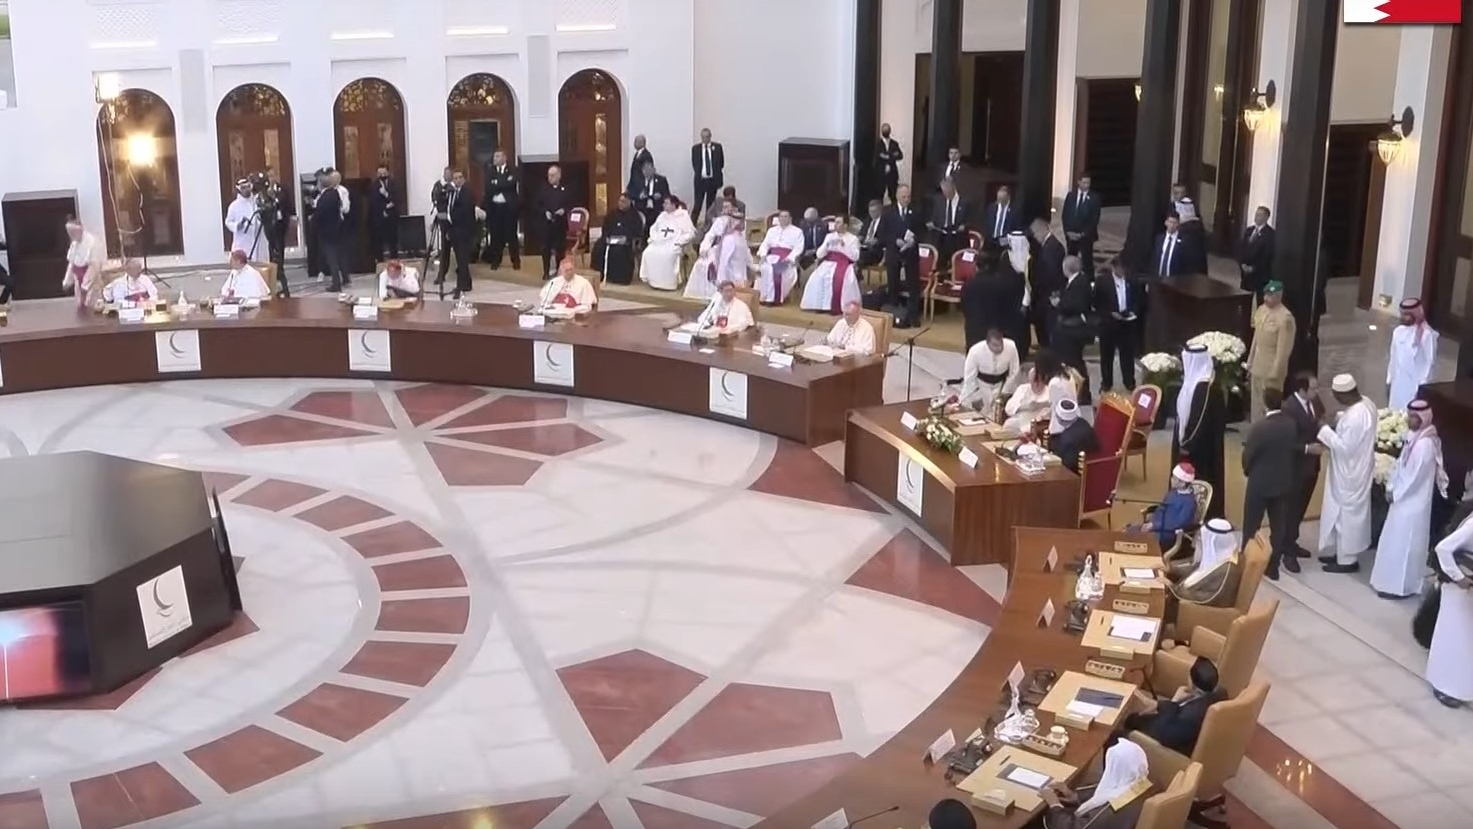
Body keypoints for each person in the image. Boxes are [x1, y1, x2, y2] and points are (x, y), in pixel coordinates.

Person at [1371, 399, 1447, 598]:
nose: (1412, 419)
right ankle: (1388, 583)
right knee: (1394, 542)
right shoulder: (1414, 437)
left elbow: (1415, 477)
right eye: (1410, 415)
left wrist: (1395, 492)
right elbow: (1400, 465)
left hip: (1413, 503)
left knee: (1406, 544)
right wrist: (1390, 486)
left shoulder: (1425, 444)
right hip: (1401, 499)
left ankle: (1401, 588)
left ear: (1425, 417)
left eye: (1416, 416)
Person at [1242, 388, 1306, 580]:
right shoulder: (1290, 425)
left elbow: (1248, 455)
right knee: (1279, 527)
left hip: (1259, 483)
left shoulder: (1260, 427)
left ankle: (1247, 562)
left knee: (1251, 525)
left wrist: (1248, 471)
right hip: (1283, 482)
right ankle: (1273, 566)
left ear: (1265, 404)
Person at [1316, 374, 1378, 573]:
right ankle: (1342, 553)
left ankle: (1347, 561)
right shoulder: (1366, 403)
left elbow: (1345, 447)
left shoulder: (1355, 417)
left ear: (1344, 396)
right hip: (1357, 467)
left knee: (1345, 516)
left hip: (1350, 472)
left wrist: (1324, 430)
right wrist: (1339, 419)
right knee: (1343, 514)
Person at [1039, 739, 1153, 829]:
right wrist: (1075, 797)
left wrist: (1054, 804)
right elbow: (1105, 791)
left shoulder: (1112, 808)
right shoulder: (1144, 783)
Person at [1127, 656, 1226, 755]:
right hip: (1179, 728)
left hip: (1170, 744)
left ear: (1192, 683)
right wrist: (1160, 705)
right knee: (1135, 717)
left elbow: (1163, 734)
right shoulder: (1220, 693)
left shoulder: (1189, 716)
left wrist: (1173, 701)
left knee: (1130, 722)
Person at [1173, 343, 1226, 520]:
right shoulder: (1194, 382)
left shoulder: (1205, 388)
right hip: (1194, 444)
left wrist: (1185, 446)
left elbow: (1198, 424)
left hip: (1200, 451)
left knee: (1200, 481)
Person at [1428, 511, 1473, 708]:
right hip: (1457, 589)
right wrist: (1459, 577)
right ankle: (1444, 684)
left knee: (1465, 640)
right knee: (1452, 635)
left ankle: (1461, 685)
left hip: (1467, 591)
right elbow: (1443, 548)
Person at [1283, 372, 1325, 557]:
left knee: (1301, 507)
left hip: (1312, 467)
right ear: (1302, 389)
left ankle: (1292, 540)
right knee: (1291, 508)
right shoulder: (1289, 408)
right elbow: (1286, 442)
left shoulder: (1315, 402)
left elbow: (1319, 422)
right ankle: (1285, 547)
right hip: (1295, 468)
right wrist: (1307, 448)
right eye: (1313, 388)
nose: (1316, 392)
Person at [1166, 518, 1243, 612]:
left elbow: (1207, 599)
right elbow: (1197, 569)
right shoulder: (1217, 556)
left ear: (1213, 541)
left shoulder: (1228, 570)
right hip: (1180, 600)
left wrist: (1172, 587)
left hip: (1193, 612)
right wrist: (1170, 568)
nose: (1201, 541)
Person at [1247, 281, 1296, 422]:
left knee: (1268, 405)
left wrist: (1276, 371)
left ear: (1279, 296)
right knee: (1256, 403)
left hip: (1272, 369)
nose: (1266, 299)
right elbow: (1256, 337)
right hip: (1258, 365)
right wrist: (1250, 360)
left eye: (1271, 296)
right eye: (1266, 295)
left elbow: (1284, 349)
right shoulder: (1261, 310)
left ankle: (1267, 431)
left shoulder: (1285, 318)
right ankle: (1255, 430)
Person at [685, 204, 751, 301]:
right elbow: (710, 236)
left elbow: (742, 244)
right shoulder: (719, 221)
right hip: (717, 249)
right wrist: (704, 248)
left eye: (728, 207)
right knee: (702, 264)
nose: (725, 209)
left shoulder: (739, 225)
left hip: (734, 254)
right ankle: (706, 293)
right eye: (724, 207)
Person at [1052, 255, 1095, 404]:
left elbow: (1077, 305)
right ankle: (1075, 390)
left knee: (1075, 362)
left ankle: (1083, 393)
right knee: (1071, 362)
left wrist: (1059, 304)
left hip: (1073, 332)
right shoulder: (1075, 281)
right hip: (1068, 331)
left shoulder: (1080, 283)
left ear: (1067, 268)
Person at [882, 185, 926, 328]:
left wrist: (914, 240)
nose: (906, 199)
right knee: (893, 283)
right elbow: (883, 233)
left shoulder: (917, 211)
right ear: (897, 197)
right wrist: (895, 240)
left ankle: (913, 316)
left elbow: (922, 230)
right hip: (894, 253)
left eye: (908, 197)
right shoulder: (888, 212)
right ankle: (894, 315)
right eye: (903, 197)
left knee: (913, 285)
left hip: (911, 253)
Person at [1094, 263, 1142, 392]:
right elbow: (1096, 303)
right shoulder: (1103, 281)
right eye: (1120, 268)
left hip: (1127, 323)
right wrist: (1109, 313)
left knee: (1127, 355)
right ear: (1114, 268)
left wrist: (1133, 311)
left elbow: (1139, 298)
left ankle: (1129, 382)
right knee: (1106, 355)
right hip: (1108, 323)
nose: (1123, 271)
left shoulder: (1132, 280)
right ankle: (1106, 383)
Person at [1132, 463, 1200, 553]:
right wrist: (1151, 523)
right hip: (1156, 526)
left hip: (1169, 533)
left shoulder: (1189, 502)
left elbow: (1179, 523)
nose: (1171, 480)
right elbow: (1161, 509)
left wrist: (1154, 526)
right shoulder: (1172, 492)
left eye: (1174, 479)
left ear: (1183, 483)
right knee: (1130, 531)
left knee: (1140, 540)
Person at [801, 214, 862, 314]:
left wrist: (843, 246)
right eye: (835, 222)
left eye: (838, 222)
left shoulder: (853, 239)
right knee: (818, 277)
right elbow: (819, 254)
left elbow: (855, 257)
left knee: (839, 280)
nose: (835, 225)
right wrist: (827, 245)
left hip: (844, 264)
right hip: (828, 263)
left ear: (845, 225)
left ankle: (836, 306)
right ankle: (820, 305)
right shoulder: (829, 236)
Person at [1003, 349, 1074, 433]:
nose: (1036, 383)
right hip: (1023, 418)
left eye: (1038, 379)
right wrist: (1026, 405)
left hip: (1053, 422)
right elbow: (1009, 409)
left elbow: (1055, 410)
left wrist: (1041, 409)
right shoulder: (1024, 389)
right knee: (1009, 424)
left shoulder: (1054, 384)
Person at [1388, 298, 1438, 410]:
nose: (1403, 317)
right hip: (1398, 381)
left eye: (1406, 315)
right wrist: (1390, 378)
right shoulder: (1398, 331)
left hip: (1415, 383)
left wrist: (1423, 385)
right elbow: (1393, 355)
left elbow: (1429, 362)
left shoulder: (1427, 335)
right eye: (1402, 314)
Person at [640, 196, 696, 291]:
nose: (663, 205)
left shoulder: (683, 216)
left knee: (669, 255)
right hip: (660, 242)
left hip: (674, 243)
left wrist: (679, 242)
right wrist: (654, 238)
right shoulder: (662, 215)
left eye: (666, 203)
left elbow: (690, 233)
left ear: (673, 205)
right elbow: (654, 228)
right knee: (648, 253)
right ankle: (654, 281)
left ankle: (670, 283)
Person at [959, 329, 1021, 414]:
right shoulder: (975, 351)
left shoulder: (1011, 346)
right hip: (981, 385)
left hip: (1001, 385)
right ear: (987, 343)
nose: (999, 348)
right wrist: (976, 397)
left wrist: (1004, 392)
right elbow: (970, 378)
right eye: (995, 345)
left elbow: (1014, 371)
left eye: (1000, 344)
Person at [437, 170, 476, 299]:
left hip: (464, 231)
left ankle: (460, 286)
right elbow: (447, 206)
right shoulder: (453, 192)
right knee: (460, 259)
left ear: (464, 179)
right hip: (455, 230)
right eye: (455, 178)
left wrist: (448, 216)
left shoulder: (466, 192)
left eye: (460, 177)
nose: (458, 180)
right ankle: (467, 284)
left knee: (463, 260)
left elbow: (464, 211)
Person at [1029, 219, 1066, 350]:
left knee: (1048, 325)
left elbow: (1051, 273)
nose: (1034, 236)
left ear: (1042, 230)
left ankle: (1048, 349)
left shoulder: (1052, 247)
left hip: (1048, 294)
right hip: (1045, 293)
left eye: (1035, 233)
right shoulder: (1048, 245)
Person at [482, 150, 521, 271]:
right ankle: (495, 260)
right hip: (495, 208)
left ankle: (515, 260)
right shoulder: (490, 171)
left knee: (511, 235)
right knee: (495, 235)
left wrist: (498, 183)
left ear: (504, 157)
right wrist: (502, 183)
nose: (495, 159)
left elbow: (511, 184)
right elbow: (488, 186)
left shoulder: (513, 170)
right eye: (494, 156)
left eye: (498, 156)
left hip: (509, 208)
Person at [754, 211, 804, 305]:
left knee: (777, 271)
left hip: (786, 258)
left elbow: (798, 248)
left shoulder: (797, 231)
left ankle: (774, 299)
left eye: (785, 216)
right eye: (781, 217)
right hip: (771, 256)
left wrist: (789, 258)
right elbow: (765, 244)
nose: (783, 219)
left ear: (790, 219)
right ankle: (763, 297)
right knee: (763, 269)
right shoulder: (772, 230)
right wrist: (763, 255)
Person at [312, 169, 350, 291]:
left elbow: (319, 215)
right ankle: (343, 278)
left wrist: (313, 222)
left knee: (331, 258)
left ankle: (336, 283)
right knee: (339, 256)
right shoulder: (334, 194)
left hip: (327, 233)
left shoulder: (324, 198)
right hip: (336, 229)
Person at [593, 194, 641, 285]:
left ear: (629, 203)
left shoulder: (634, 216)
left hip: (625, 240)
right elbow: (605, 227)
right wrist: (606, 237)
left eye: (623, 202)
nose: (621, 204)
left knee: (618, 251)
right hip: (610, 238)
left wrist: (626, 238)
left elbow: (637, 231)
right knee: (599, 247)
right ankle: (601, 275)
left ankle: (619, 278)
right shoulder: (612, 213)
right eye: (620, 201)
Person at [1060, 173, 1101, 277]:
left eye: (1088, 183)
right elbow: (1065, 215)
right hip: (1071, 236)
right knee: (1071, 258)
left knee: (1087, 261)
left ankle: (1090, 282)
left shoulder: (1094, 198)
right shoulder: (1071, 196)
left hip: (1086, 237)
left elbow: (1094, 219)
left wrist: (1083, 234)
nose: (1087, 185)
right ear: (1079, 182)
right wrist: (1068, 232)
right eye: (1084, 182)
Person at [537, 165, 572, 279]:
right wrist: (545, 211)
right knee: (545, 248)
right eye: (549, 175)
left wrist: (563, 210)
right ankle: (546, 272)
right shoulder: (543, 189)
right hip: (546, 224)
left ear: (559, 176)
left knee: (559, 249)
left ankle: (559, 270)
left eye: (552, 175)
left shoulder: (565, 189)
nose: (550, 178)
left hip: (560, 224)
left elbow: (570, 204)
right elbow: (538, 204)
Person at [62, 219, 105, 308]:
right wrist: (67, 281)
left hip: (91, 283)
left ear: (80, 230)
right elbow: (71, 264)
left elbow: (95, 267)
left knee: (93, 309)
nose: (71, 235)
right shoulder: (74, 244)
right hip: (78, 281)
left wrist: (85, 286)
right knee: (80, 308)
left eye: (73, 232)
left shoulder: (92, 242)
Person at [1236, 206, 1275, 298]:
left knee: (1259, 300)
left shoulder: (1270, 234)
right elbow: (1241, 248)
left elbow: (1268, 255)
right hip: (1245, 274)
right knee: (1244, 298)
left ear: (1266, 217)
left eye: (1260, 215)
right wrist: (1242, 264)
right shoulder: (1249, 230)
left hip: (1260, 274)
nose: (1256, 217)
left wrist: (1253, 268)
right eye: (1256, 214)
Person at [928, 177, 969, 265]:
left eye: (948, 192)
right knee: (940, 262)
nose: (946, 194)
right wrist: (932, 223)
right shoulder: (939, 201)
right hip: (941, 236)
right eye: (944, 192)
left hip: (957, 236)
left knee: (956, 263)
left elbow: (971, 221)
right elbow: (935, 217)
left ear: (953, 187)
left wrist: (964, 225)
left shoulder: (965, 202)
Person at [1049, 399, 1096, 473]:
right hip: (1092, 467)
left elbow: (1065, 464)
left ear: (1060, 419)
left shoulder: (1067, 438)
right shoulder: (1083, 422)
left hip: (1074, 473)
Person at [224, 177, 266, 260]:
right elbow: (228, 222)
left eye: (248, 187)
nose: (246, 190)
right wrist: (237, 225)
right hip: (242, 242)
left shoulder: (257, 202)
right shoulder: (234, 206)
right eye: (243, 188)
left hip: (258, 240)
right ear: (239, 190)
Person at [690, 128, 725, 223]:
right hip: (700, 181)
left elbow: (721, 163)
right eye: (703, 137)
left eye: (707, 137)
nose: (705, 139)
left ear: (710, 137)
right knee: (697, 204)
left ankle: (708, 225)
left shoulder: (717, 148)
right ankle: (692, 225)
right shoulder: (695, 149)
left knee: (710, 205)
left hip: (712, 181)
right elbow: (695, 164)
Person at [629, 158, 671, 231]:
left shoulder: (661, 180)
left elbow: (667, 195)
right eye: (645, 170)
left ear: (654, 170)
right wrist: (639, 196)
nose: (647, 172)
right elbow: (630, 195)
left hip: (657, 209)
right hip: (642, 209)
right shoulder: (637, 181)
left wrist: (660, 196)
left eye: (649, 170)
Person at [368, 163, 399, 261]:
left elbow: (398, 198)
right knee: (379, 241)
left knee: (393, 240)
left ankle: (394, 261)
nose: (382, 175)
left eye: (384, 173)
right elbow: (372, 201)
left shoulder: (394, 183)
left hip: (392, 216)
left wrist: (386, 194)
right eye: (380, 173)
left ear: (388, 172)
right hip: (379, 217)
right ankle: (380, 262)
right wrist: (384, 208)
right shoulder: (373, 185)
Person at [1150, 213, 1194, 278]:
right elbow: (1154, 260)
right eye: (1170, 222)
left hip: (1174, 280)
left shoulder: (1184, 242)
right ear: (1166, 222)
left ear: (1178, 224)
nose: (1172, 225)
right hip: (1158, 279)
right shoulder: (1159, 239)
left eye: (1174, 223)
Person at [981, 185, 1019, 250]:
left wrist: (1006, 239)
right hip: (991, 242)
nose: (1000, 202)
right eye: (998, 199)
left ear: (1008, 198)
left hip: (1005, 243)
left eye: (1002, 199)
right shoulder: (991, 208)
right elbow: (987, 225)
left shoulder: (1014, 211)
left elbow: (1015, 229)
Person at [875, 123, 903, 204]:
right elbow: (877, 157)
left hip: (892, 174)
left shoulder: (894, 143)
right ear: (882, 131)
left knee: (893, 195)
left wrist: (887, 157)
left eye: (887, 129)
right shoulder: (878, 144)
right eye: (884, 130)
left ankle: (894, 212)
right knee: (879, 196)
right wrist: (892, 155)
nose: (885, 131)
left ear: (889, 131)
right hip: (881, 174)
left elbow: (900, 155)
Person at [857, 200, 886, 267]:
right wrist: (860, 237)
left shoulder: (885, 222)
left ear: (880, 210)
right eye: (870, 211)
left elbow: (888, 237)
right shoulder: (867, 220)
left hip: (876, 249)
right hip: (864, 246)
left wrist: (877, 241)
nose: (871, 214)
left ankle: (857, 271)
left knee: (861, 255)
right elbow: (862, 233)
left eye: (874, 211)